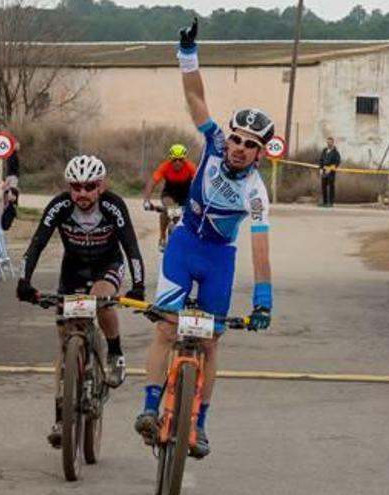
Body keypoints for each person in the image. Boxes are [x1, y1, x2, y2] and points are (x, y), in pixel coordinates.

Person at [134, 18, 273, 459]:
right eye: (235, 138)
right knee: (165, 327)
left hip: (218, 258)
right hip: (185, 243)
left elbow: (260, 248)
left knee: (211, 342)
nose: (237, 147)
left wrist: (263, 300)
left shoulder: (256, 193)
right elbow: (196, 97)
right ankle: (151, 407)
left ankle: (200, 422)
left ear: (261, 152)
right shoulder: (212, 142)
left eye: (249, 144)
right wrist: (188, 52)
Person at [16, 155, 146, 448]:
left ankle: (115, 353)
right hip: (72, 268)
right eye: (76, 187)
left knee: (102, 300)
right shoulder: (60, 206)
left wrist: (138, 286)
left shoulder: (113, 206)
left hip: (107, 265)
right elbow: (36, 243)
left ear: (100, 186)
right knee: (65, 341)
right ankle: (62, 416)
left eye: (89, 187)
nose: (82, 194)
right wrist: (24, 282)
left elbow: (132, 248)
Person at [142, 143, 198, 249]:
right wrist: (146, 200)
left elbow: (200, 184)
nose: (177, 163)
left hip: (185, 195)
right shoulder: (165, 166)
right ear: (170, 159)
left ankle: (179, 236)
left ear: (184, 160)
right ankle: (162, 238)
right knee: (170, 209)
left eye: (180, 160)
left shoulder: (191, 167)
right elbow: (152, 183)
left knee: (178, 218)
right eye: (174, 160)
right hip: (169, 194)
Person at [318, 136, 341, 207]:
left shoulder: (335, 152)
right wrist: (321, 169)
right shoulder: (324, 150)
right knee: (323, 186)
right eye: (327, 142)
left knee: (331, 187)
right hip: (324, 170)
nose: (328, 144)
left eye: (330, 142)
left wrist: (330, 169)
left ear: (333, 143)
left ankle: (330, 202)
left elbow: (337, 162)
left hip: (331, 172)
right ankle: (324, 202)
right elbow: (321, 160)